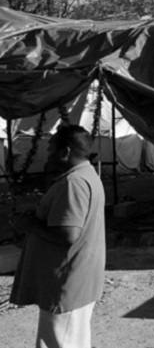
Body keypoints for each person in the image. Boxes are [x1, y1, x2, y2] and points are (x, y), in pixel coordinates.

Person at [9, 125, 106, 348]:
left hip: (67, 282)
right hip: (76, 279)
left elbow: (69, 234)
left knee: (60, 342)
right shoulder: (86, 175)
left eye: (50, 148)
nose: (48, 154)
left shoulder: (73, 183)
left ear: (65, 152)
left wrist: (30, 224)